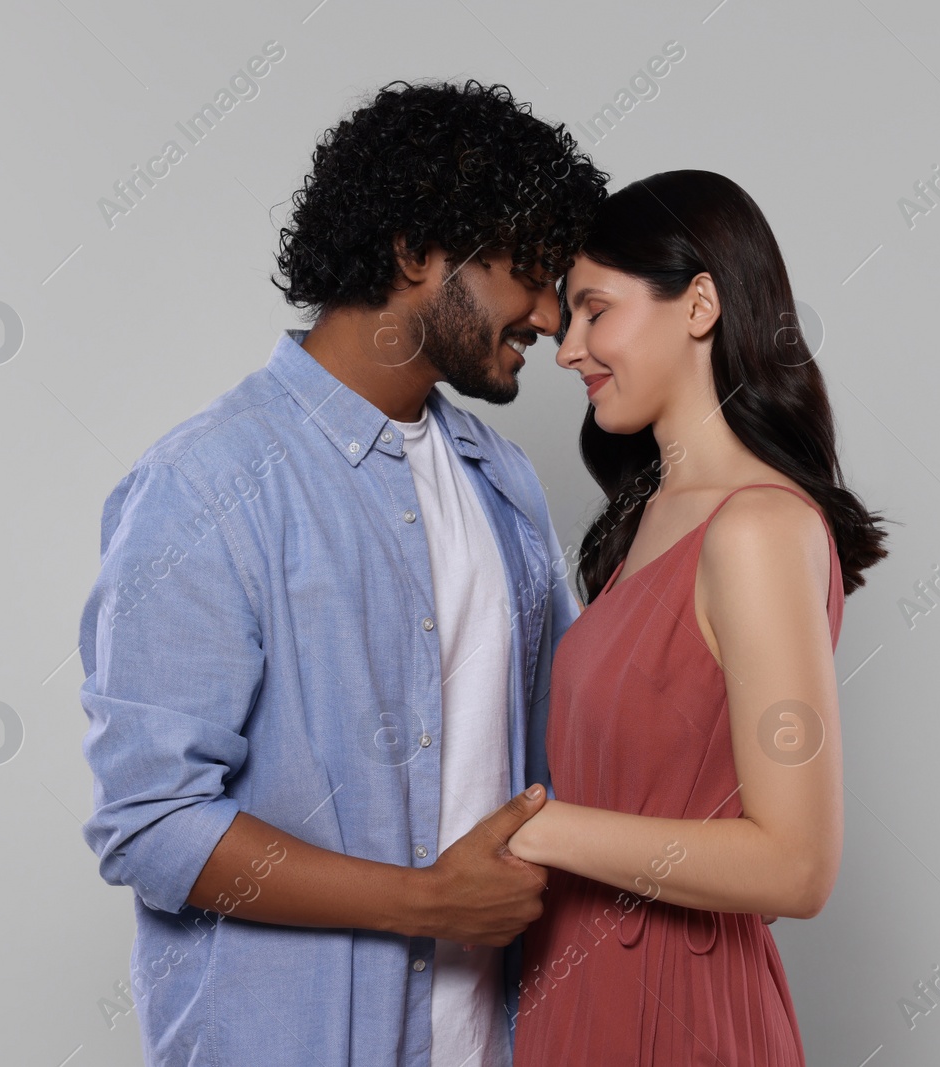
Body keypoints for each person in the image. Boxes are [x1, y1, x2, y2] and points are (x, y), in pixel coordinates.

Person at [76, 80, 606, 1066]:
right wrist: (425, 901)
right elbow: (151, 824)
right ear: (413, 252)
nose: (547, 314)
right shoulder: (209, 482)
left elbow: (562, 753)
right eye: (525, 272)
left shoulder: (506, 482)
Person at [508, 170, 890, 1066]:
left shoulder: (755, 528)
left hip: (676, 1008)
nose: (568, 348)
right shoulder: (646, 518)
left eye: (594, 309)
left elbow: (796, 864)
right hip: (578, 989)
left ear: (700, 304)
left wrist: (535, 826)